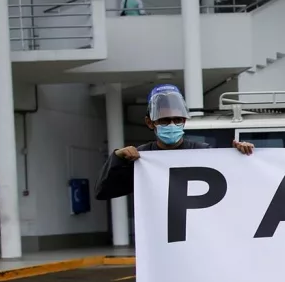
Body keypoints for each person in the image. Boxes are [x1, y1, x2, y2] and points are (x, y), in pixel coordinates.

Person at [96, 84, 254, 201]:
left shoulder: (202, 152)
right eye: (164, 120)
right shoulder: (141, 158)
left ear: (184, 121)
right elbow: (103, 191)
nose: (171, 124)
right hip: (157, 235)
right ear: (150, 123)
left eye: (177, 119)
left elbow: (239, 185)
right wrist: (118, 157)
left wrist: (241, 156)